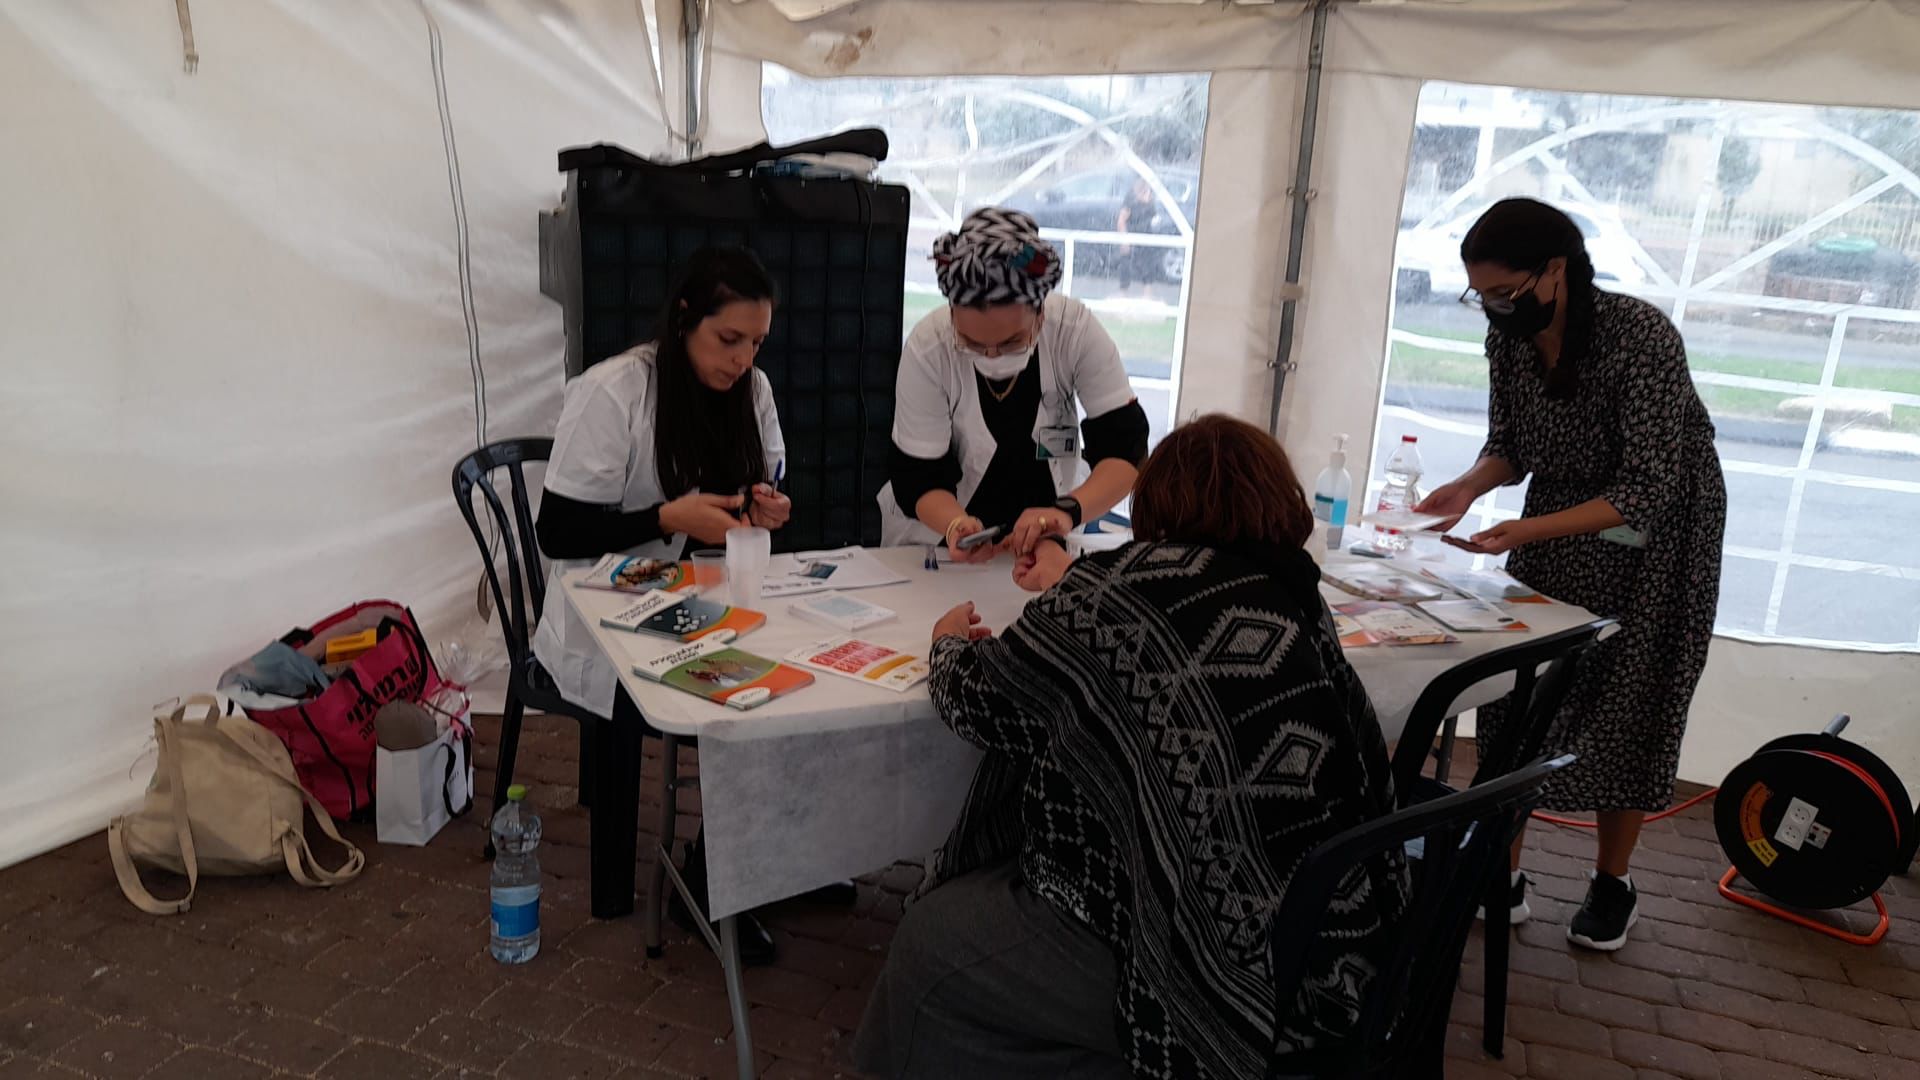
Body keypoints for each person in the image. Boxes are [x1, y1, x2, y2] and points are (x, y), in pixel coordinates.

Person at [854, 415, 1411, 1080]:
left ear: (1158, 505)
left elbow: (979, 699)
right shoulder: (1295, 594)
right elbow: (1175, 635)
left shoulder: (1116, 596)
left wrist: (947, 641)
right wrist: (1075, 581)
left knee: (928, 945)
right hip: (1338, 952)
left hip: (1219, 981)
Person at [1414, 197, 1726, 952]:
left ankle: (1613, 883)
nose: (1494, 308)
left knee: (1634, 697)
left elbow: (1644, 487)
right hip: (1558, 514)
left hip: (1660, 535)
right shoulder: (1509, 338)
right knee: (1521, 686)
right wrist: (1467, 487)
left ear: (1556, 269)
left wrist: (1522, 529)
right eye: (1480, 295)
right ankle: (1503, 871)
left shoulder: (1640, 336)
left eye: (1505, 291)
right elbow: (1510, 444)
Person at [529, 246, 799, 964]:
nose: (742, 360)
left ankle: (747, 858)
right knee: (736, 689)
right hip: (603, 603)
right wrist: (665, 518)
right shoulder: (615, 391)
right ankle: (710, 880)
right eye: (729, 338)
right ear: (685, 320)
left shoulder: (753, 390)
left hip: (702, 592)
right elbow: (558, 532)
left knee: (792, 675)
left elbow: (763, 483)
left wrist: (765, 506)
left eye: (757, 343)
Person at [880, 207, 1150, 562]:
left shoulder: (1074, 333)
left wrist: (1065, 512)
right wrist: (955, 525)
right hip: (937, 544)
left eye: (1010, 343)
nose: (991, 356)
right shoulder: (929, 349)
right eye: (971, 343)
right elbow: (917, 477)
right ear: (952, 313)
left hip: (1048, 541)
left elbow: (1126, 452)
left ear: (1040, 313)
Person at [1115, 177, 1158, 293]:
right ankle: (1123, 293)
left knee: (1147, 266)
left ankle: (1147, 294)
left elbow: (1153, 215)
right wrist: (1124, 240)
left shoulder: (1151, 196)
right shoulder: (1131, 198)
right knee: (1126, 265)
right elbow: (1121, 221)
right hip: (1132, 237)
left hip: (1146, 237)